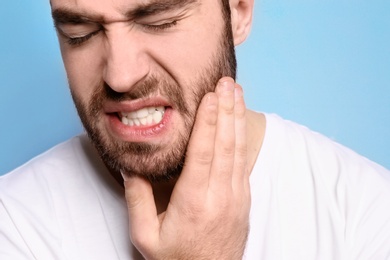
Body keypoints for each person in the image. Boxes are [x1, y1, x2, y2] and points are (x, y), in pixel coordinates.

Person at [1, 0, 389, 259]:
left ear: (237, 10)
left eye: (159, 21)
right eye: (79, 33)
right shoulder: (13, 224)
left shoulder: (367, 214)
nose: (120, 76)